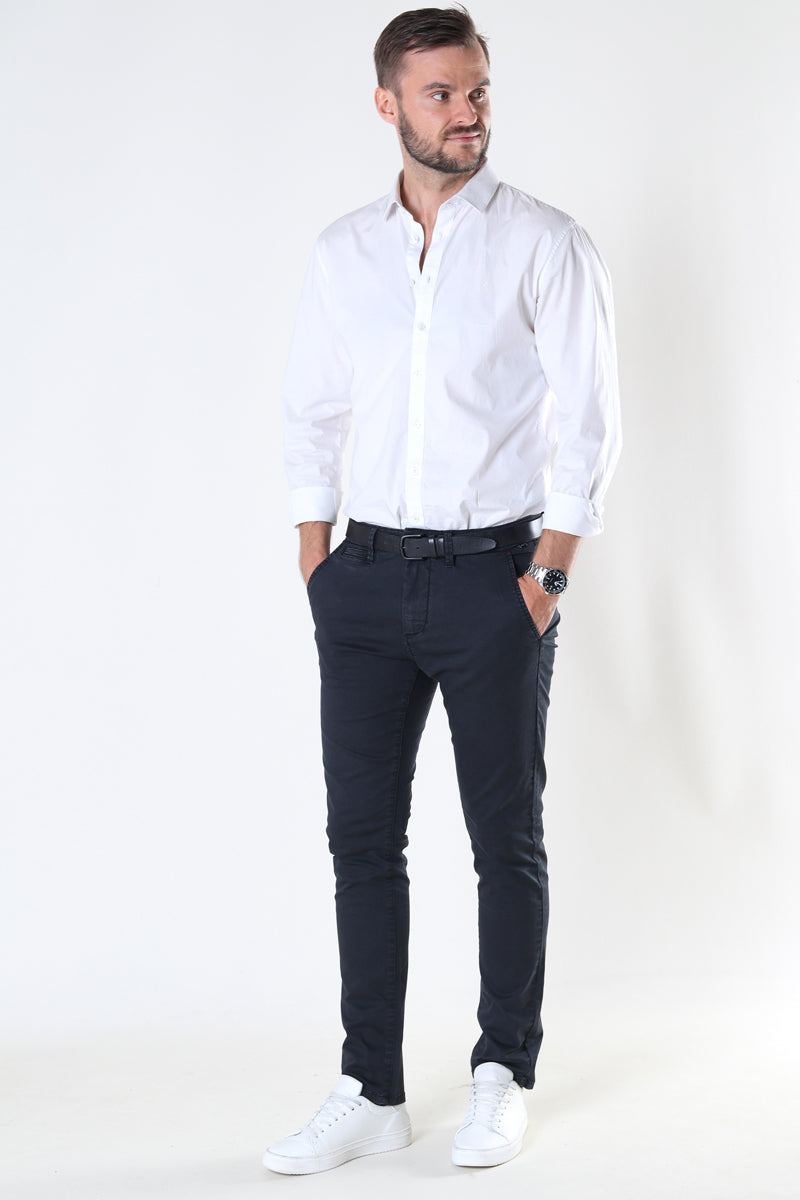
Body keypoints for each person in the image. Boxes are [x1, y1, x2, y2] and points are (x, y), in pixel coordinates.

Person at [263, 5, 621, 1175]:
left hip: (490, 580)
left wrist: (543, 578)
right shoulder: (341, 253)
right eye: (439, 94)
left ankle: (500, 1072)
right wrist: (316, 559)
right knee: (360, 841)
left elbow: (590, 421)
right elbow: (313, 409)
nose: (465, 113)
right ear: (387, 105)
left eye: (476, 91)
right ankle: (369, 1087)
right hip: (362, 581)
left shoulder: (544, 243)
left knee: (502, 837)